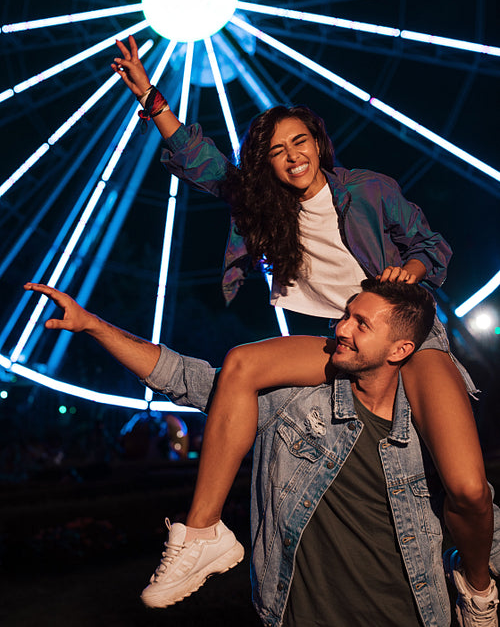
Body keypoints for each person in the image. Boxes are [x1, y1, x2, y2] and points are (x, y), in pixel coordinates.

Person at [109, 35, 495, 606]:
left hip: (407, 334)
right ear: (265, 162)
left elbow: (431, 245)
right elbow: (204, 162)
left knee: (466, 487)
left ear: (319, 143)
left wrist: (409, 272)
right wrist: (154, 101)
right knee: (241, 364)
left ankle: (479, 587)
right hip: (336, 338)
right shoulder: (259, 206)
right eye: (278, 150)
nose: (293, 156)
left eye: (301, 141)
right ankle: (203, 535)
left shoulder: (369, 190)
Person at [24, 280, 500, 626]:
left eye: (360, 323)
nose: (340, 327)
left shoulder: (427, 433)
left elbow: (477, 512)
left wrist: (480, 590)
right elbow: (194, 381)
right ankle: (202, 534)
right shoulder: (293, 401)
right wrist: (94, 327)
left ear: (400, 349)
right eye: (345, 314)